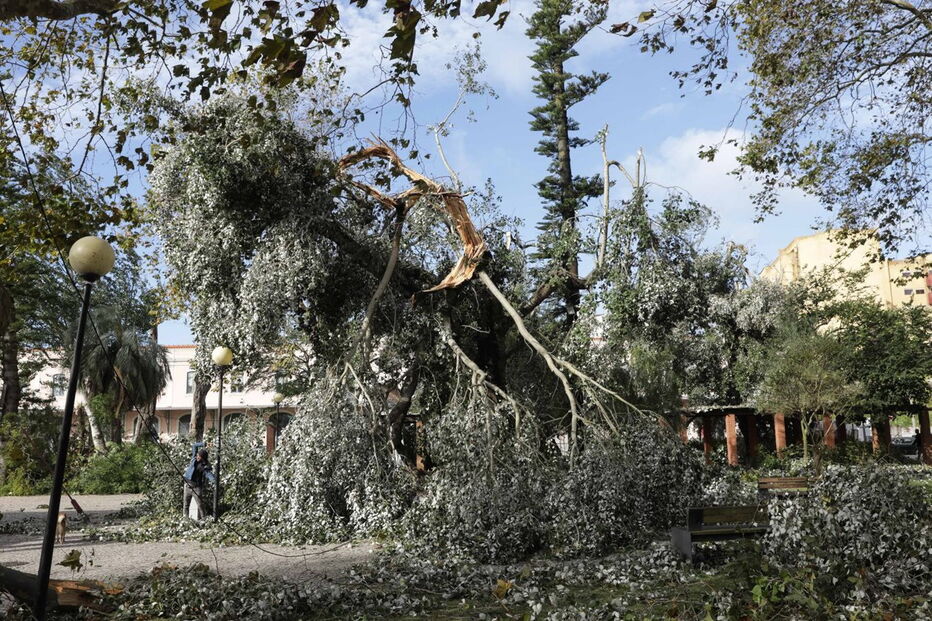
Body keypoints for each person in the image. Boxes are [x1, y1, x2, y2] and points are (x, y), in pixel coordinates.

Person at [183, 441, 215, 520]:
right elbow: (194, 445)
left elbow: (209, 475)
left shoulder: (204, 467)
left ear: (203, 458)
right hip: (187, 485)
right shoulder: (193, 459)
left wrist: (215, 481)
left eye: (199, 456)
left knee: (200, 505)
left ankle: (204, 520)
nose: (197, 457)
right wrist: (205, 444)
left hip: (196, 488)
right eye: (197, 455)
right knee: (186, 505)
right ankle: (185, 521)